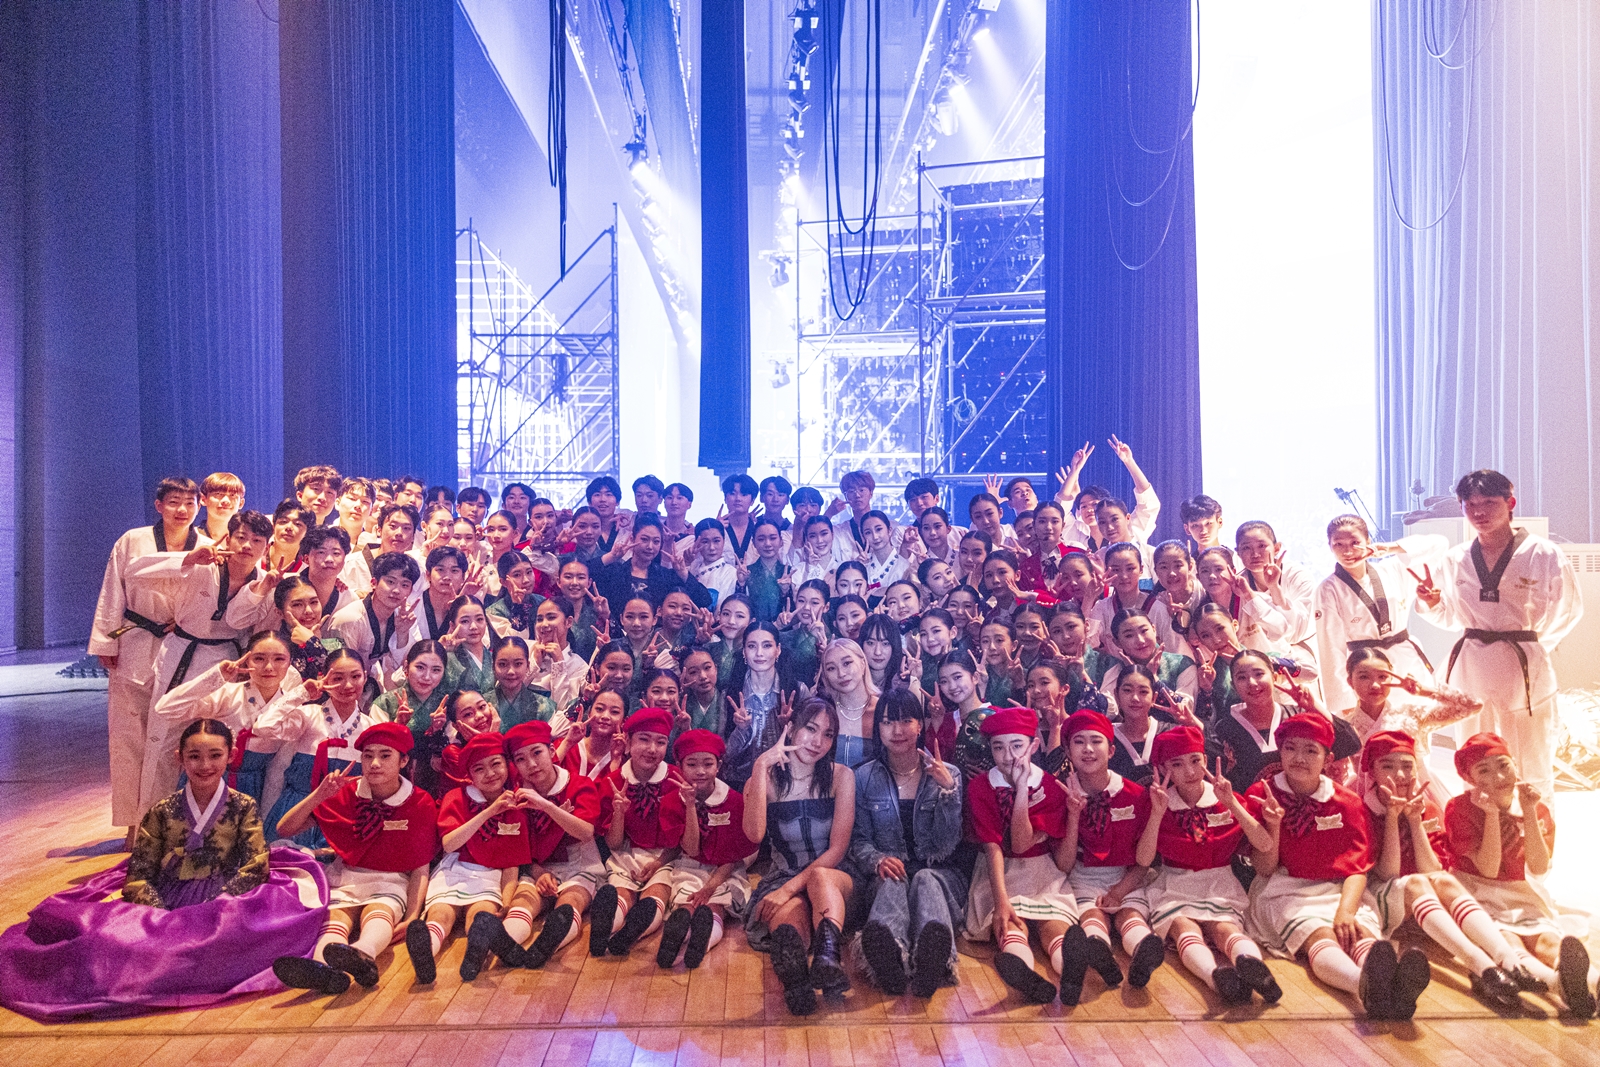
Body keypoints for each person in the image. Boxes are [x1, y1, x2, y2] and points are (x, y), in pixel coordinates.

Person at [0, 718, 326, 1022]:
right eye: (194, 756)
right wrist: (159, 914)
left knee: (232, 937)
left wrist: (223, 901)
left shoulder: (243, 806)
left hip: (226, 901)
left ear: (232, 756)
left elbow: (255, 865)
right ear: (179, 758)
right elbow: (139, 874)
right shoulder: (161, 811)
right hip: (168, 898)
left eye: (215, 755)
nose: (205, 765)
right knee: (108, 943)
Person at [1245, 712, 1430, 1021]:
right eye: (1290, 748)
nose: (1299, 758)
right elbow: (1264, 868)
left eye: (1311, 750)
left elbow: (1357, 868)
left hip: (1341, 888)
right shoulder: (1262, 794)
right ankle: (1368, 987)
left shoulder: (1346, 802)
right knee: (1320, 935)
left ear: (1327, 759)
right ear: (1280, 752)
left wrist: (1345, 911)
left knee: (1359, 932)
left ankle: (1385, 984)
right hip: (1284, 887)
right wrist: (1273, 825)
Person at [1430, 470, 1584, 798]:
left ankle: (1534, 823)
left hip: (1522, 663)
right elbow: (1448, 616)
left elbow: (1568, 609)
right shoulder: (1455, 558)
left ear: (1510, 503)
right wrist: (1430, 604)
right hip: (1473, 663)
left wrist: (1532, 646)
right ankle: (1477, 820)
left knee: (1530, 748)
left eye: (1488, 503)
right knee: (1474, 746)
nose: (1479, 512)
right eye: (1470, 504)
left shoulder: (1543, 554)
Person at [1358, 731, 1525, 1010]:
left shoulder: (1428, 807)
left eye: (1407, 766)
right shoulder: (1363, 810)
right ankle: (1483, 967)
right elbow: (1388, 874)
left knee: (1442, 879)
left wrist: (1414, 820)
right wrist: (1392, 817)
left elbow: (1432, 868)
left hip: (1425, 905)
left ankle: (1509, 962)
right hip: (1378, 898)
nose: (1400, 775)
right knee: (1417, 883)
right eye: (1387, 766)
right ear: (1372, 771)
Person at [125, 510, 276, 809]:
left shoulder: (265, 582)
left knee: (214, 744)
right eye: (241, 537)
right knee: (164, 742)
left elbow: (243, 624)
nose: (247, 545)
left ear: (267, 547)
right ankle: (153, 821)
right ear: (228, 538)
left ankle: (209, 822)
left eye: (257, 540)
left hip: (226, 662)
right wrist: (188, 559)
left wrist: (261, 591)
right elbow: (134, 572)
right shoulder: (203, 565)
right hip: (182, 655)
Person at [271, 723, 437, 995]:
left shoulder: (420, 802)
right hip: (345, 876)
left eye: (385, 755)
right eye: (367, 755)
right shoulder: (346, 793)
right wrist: (319, 795)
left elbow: (421, 865)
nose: (374, 763)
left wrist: (412, 916)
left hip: (391, 881)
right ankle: (323, 970)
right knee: (336, 918)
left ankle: (363, 953)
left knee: (379, 913)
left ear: (403, 761)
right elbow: (284, 829)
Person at [1445, 733, 1596, 1017]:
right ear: (1470, 778)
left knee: (1548, 941)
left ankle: (1593, 983)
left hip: (1522, 891)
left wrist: (1528, 811)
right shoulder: (1460, 808)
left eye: (1504, 765)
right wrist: (1491, 814)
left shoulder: (1535, 806)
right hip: (1477, 890)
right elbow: (1488, 868)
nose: (1499, 776)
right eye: (1483, 770)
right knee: (1509, 941)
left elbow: (1538, 867)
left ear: (1514, 763)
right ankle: (1559, 985)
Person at [91, 475, 202, 840]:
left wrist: (187, 621)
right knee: (129, 736)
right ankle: (132, 823)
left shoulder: (206, 545)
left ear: (198, 506)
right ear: (158, 505)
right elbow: (113, 589)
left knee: (172, 737)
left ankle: (166, 821)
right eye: (173, 502)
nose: (182, 509)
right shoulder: (133, 540)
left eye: (189, 502)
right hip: (135, 640)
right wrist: (106, 642)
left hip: (181, 645)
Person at [1137, 726, 1281, 1005]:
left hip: (1220, 882)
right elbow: (1144, 860)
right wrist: (1156, 813)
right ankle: (1214, 976)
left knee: (1225, 929)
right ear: (1163, 769)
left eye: (1195, 760)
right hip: (1175, 881)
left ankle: (1256, 970)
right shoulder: (1157, 803)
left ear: (1205, 759)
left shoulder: (1224, 798)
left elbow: (1264, 844)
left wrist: (1232, 803)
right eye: (1177, 764)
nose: (1190, 771)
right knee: (1183, 927)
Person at [742, 696, 858, 1016]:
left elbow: (837, 849)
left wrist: (787, 889)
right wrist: (760, 766)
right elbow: (753, 835)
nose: (818, 741)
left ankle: (827, 958)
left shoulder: (841, 776)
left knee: (818, 879)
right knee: (790, 924)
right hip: (784, 875)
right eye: (811, 728)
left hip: (834, 877)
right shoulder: (765, 778)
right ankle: (797, 984)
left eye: (828, 734)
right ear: (791, 728)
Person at [851, 689, 967, 997]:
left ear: (920, 725)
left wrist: (948, 792)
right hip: (887, 876)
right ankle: (888, 961)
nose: (897, 730)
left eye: (905, 721)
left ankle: (935, 962)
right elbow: (859, 841)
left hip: (941, 875)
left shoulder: (949, 774)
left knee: (925, 879)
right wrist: (878, 860)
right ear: (878, 728)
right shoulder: (863, 777)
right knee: (894, 879)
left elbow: (947, 845)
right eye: (888, 722)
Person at [1053, 710, 1166, 1005]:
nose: (1088, 749)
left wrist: (1119, 890)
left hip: (1128, 877)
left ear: (1111, 750)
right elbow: (1064, 864)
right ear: (1068, 751)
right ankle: (1099, 953)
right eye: (1079, 742)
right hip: (1080, 876)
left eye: (1096, 741)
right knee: (1092, 915)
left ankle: (1143, 953)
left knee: (1130, 915)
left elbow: (1144, 862)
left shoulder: (1135, 794)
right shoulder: (1060, 793)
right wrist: (1073, 815)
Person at [963, 706, 1075, 1004]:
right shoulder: (980, 786)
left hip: (1041, 870)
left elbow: (1022, 844)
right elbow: (993, 847)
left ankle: (1070, 969)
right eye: (998, 747)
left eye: (1017, 746)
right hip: (998, 871)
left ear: (1034, 745)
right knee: (1009, 923)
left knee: (1053, 923)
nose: (1008, 756)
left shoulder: (1050, 787)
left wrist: (1022, 788)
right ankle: (1024, 974)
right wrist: (1001, 900)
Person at [409, 731, 529, 983]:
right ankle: (425, 955)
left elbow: (512, 864)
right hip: (453, 871)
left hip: (489, 876)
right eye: (479, 769)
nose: (490, 773)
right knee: (441, 914)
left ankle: (475, 956)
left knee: (481, 916)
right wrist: (489, 812)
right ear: (469, 776)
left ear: (507, 765)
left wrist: (507, 901)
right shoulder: (456, 797)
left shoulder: (517, 807)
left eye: (495, 764)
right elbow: (450, 843)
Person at [149, 631, 302, 813]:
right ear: (247, 661)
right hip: (207, 781)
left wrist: (267, 815)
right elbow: (165, 708)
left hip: (254, 788)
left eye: (279, 659)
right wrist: (215, 676)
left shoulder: (292, 709)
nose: (269, 667)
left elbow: (277, 771)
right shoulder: (228, 694)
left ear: (290, 663)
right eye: (259, 659)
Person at [1314, 515, 1447, 714]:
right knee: (1374, 728)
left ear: (1368, 541)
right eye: (1338, 544)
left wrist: (1389, 548)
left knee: (1417, 723)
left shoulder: (1392, 569)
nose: (1348, 551)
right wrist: (1345, 704)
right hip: (1366, 669)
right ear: (1330, 547)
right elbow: (1330, 650)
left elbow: (1439, 544)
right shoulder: (1328, 589)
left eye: (1355, 542)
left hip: (1405, 662)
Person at [503, 720, 608, 968]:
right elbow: (520, 848)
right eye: (520, 759)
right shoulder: (516, 797)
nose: (531, 764)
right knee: (523, 901)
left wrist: (546, 806)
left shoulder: (579, 784)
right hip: (538, 868)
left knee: (571, 902)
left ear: (552, 752)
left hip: (580, 865)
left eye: (537, 753)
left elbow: (586, 832)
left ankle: (547, 945)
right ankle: (503, 945)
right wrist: (539, 873)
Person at [655, 729, 759, 969]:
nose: (700, 771)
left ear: (718, 766)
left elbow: (731, 856)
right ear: (680, 766)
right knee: (687, 901)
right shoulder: (672, 800)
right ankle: (677, 934)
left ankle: (700, 943)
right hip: (690, 864)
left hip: (727, 869)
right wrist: (690, 806)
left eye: (708, 764)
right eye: (691, 764)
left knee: (716, 903)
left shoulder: (734, 801)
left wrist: (709, 888)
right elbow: (691, 849)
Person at [591, 707, 689, 957]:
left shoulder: (676, 780)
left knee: (657, 893)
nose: (652, 749)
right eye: (644, 739)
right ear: (628, 742)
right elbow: (613, 844)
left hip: (667, 856)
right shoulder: (613, 782)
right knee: (621, 893)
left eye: (660, 742)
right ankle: (605, 927)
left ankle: (631, 933)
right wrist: (619, 812)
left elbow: (681, 840)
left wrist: (658, 863)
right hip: (626, 854)